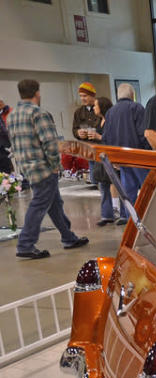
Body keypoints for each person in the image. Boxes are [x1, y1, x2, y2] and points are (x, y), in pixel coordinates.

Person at [8, 78, 88, 259]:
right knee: (38, 205)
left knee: (54, 205)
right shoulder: (39, 114)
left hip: (27, 169)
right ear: (37, 93)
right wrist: (54, 167)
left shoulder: (12, 116)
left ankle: (68, 237)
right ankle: (25, 244)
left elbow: (13, 144)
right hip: (43, 169)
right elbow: (51, 144)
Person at [101, 82, 148, 224]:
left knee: (129, 193)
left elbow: (106, 137)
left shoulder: (110, 112)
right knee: (147, 191)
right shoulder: (137, 108)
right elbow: (143, 133)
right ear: (132, 95)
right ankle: (149, 220)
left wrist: (112, 158)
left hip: (121, 159)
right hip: (138, 157)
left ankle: (131, 222)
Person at [86, 96, 119, 226]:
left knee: (114, 183)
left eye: (95, 105)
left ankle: (119, 211)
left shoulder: (111, 121)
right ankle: (106, 215)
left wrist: (98, 136)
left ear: (102, 107)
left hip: (110, 156)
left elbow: (112, 138)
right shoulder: (98, 121)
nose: (94, 108)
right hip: (100, 156)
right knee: (103, 184)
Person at [64, 82, 99, 178]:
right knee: (94, 178)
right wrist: (78, 133)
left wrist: (98, 134)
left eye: (85, 96)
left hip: (101, 148)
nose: (82, 98)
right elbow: (74, 129)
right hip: (88, 149)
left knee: (103, 179)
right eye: (80, 96)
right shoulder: (78, 112)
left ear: (92, 95)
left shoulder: (101, 108)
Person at [0, 98, 13, 174]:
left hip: (5, 147)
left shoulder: (10, 111)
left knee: (8, 174)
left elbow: (5, 130)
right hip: (4, 147)